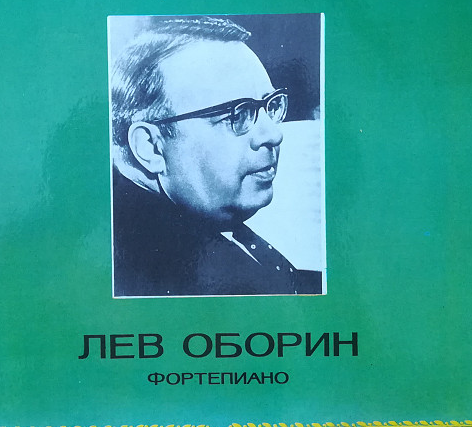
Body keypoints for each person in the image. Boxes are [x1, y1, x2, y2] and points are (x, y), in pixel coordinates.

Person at [110, 15, 321, 297]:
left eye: (270, 105)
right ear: (151, 147)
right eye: (238, 114)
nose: (273, 135)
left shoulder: (194, 219)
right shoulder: (156, 273)